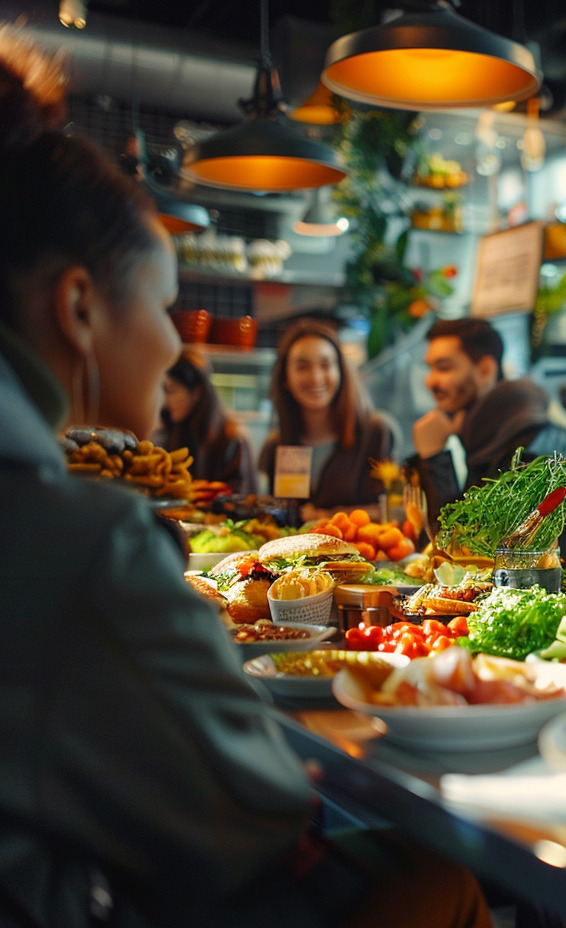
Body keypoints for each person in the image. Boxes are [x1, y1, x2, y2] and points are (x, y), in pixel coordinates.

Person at [0, 29, 489, 928]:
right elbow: (255, 810)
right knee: (442, 876)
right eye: (162, 306)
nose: (178, 343)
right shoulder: (80, 535)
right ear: (77, 307)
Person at [404, 317, 566, 534]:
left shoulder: (529, 441)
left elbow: (465, 547)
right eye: (429, 368)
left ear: (485, 370)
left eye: (444, 368)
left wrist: (433, 458)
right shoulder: (486, 433)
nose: (430, 381)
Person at [259, 318, 401, 519]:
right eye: (302, 367)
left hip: (362, 549)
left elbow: (395, 511)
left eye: (325, 365)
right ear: (285, 379)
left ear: (341, 372)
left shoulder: (377, 431)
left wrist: (326, 516)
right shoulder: (276, 445)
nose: (316, 377)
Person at [153, 348, 258, 494]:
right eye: (161, 391)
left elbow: (239, 497)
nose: (165, 401)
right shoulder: (169, 431)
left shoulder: (231, 437)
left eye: (171, 390)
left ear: (196, 391)